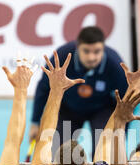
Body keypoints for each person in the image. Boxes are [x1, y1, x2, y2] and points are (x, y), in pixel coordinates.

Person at [29, 26, 128, 157]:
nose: (91, 57)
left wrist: (121, 133)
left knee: (104, 154)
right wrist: (35, 123)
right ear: (77, 48)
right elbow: (43, 89)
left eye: (97, 51)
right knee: (57, 154)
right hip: (68, 109)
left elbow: (127, 103)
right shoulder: (62, 57)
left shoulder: (115, 64)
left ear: (103, 49)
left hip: (102, 110)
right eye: (86, 51)